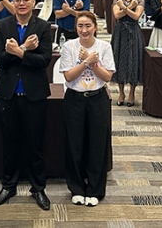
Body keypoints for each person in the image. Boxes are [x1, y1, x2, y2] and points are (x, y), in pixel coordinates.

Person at [0, 0, 53, 211]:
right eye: (18, 0)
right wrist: (25, 49)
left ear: (34, 2)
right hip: (8, 94)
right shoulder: (2, 25)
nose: (22, 3)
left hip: (34, 94)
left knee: (35, 145)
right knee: (9, 144)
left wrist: (19, 52)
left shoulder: (43, 27)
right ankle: (8, 186)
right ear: (13, 3)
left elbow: (44, 60)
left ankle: (38, 188)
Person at [58, 11, 114, 207]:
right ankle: (77, 188)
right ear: (76, 28)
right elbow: (69, 76)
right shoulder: (69, 46)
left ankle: (95, 190)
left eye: (88, 26)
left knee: (97, 145)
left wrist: (93, 61)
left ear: (95, 27)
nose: (84, 30)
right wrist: (86, 62)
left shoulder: (104, 46)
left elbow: (107, 77)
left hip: (98, 99)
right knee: (75, 144)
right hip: (75, 99)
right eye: (80, 26)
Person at [111, 0, 144, 107]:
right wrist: (130, 7)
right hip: (120, 31)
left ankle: (131, 93)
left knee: (133, 60)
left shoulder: (140, 0)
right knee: (119, 59)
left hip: (134, 32)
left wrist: (124, 8)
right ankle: (121, 93)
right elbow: (117, 15)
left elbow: (136, 17)